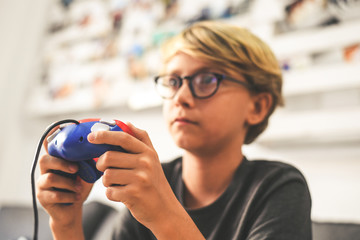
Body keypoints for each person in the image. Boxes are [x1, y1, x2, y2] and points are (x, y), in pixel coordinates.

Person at [36, 20, 312, 240]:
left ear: (257, 107)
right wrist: (67, 225)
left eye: (206, 80)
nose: (181, 96)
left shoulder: (278, 187)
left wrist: (162, 213)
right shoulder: (155, 180)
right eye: (173, 81)